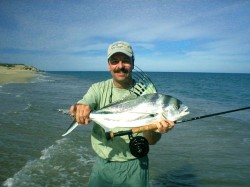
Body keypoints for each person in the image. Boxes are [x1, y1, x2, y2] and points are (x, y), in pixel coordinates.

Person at [70, 41, 174, 187]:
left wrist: (157, 130)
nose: (120, 66)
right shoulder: (98, 89)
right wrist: (80, 109)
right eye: (115, 62)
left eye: (125, 61)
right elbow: (85, 104)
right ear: (108, 65)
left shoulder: (148, 94)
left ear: (133, 63)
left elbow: (151, 141)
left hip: (135, 166)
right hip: (102, 164)